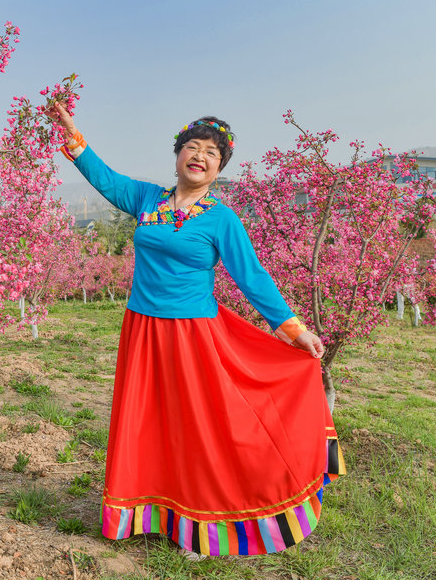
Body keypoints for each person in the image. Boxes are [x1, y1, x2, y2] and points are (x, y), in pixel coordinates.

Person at [49, 103, 345, 559]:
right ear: (178, 154)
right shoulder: (147, 200)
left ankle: (206, 525)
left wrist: (293, 330)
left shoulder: (221, 218)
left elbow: (252, 277)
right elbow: (105, 179)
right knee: (151, 423)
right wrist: (74, 135)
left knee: (201, 429)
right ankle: (156, 512)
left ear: (218, 167)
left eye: (211, 153)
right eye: (193, 147)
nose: (200, 156)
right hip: (143, 332)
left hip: (194, 337)